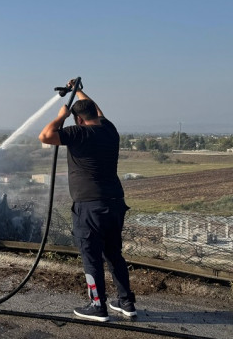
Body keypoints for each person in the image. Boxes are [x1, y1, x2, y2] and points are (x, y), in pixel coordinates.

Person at [38, 80, 136, 322]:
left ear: (78, 120)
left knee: (91, 256)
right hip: (115, 203)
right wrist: (77, 92)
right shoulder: (109, 129)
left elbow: (45, 136)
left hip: (89, 207)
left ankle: (97, 306)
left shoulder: (78, 133)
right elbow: (97, 111)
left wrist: (61, 116)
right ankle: (127, 303)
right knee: (114, 254)